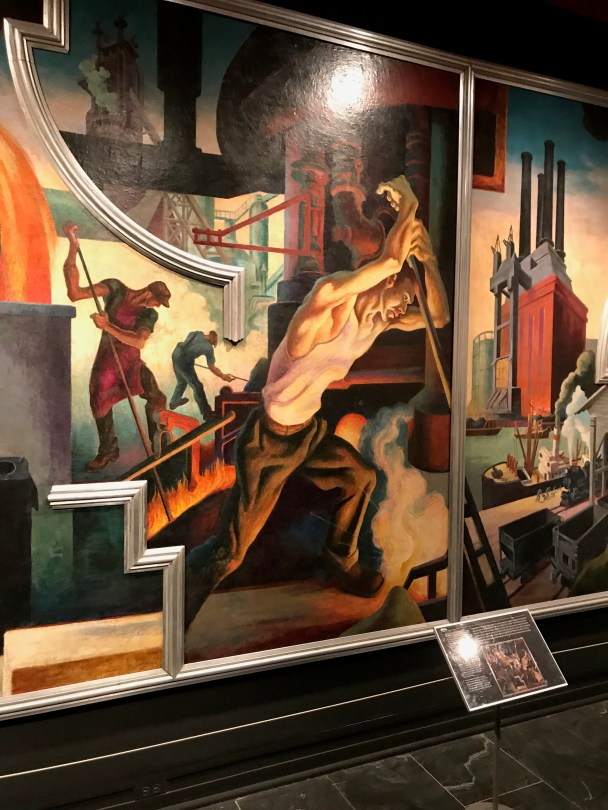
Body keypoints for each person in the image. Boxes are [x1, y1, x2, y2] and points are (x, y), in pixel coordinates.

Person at [185, 175, 450, 628]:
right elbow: (388, 261)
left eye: (406, 302)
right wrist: (409, 207)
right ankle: (173, 607)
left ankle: (340, 561)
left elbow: (437, 316)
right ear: (381, 281)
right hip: (269, 442)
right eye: (400, 297)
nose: (400, 310)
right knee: (231, 552)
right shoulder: (327, 300)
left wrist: (428, 263)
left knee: (360, 477)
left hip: (308, 435)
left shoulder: (376, 322)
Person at [62, 222, 171, 471]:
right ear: (149, 294)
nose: (156, 306)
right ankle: (108, 451)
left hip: (132, 363)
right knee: (99, 401)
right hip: (108, 362)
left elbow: (139, 341)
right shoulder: (116, 289)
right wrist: (73, 247)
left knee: (157, 397)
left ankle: (160, 449)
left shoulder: (149, 315)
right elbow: (75, 293)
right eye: (157, 301)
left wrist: (107, 326)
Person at [169, 330, 235, 419]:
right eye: (214, 342)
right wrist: (223, 376)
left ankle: (174, 402)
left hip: (176, 353)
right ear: (213, 338)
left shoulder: (197, 333)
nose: (213, 345)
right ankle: (206, 413)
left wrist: (186, 357)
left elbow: (187, 345)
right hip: (185, 362)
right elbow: (212, 367)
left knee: (182, 382)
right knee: (197, 386)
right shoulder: (208, 348)